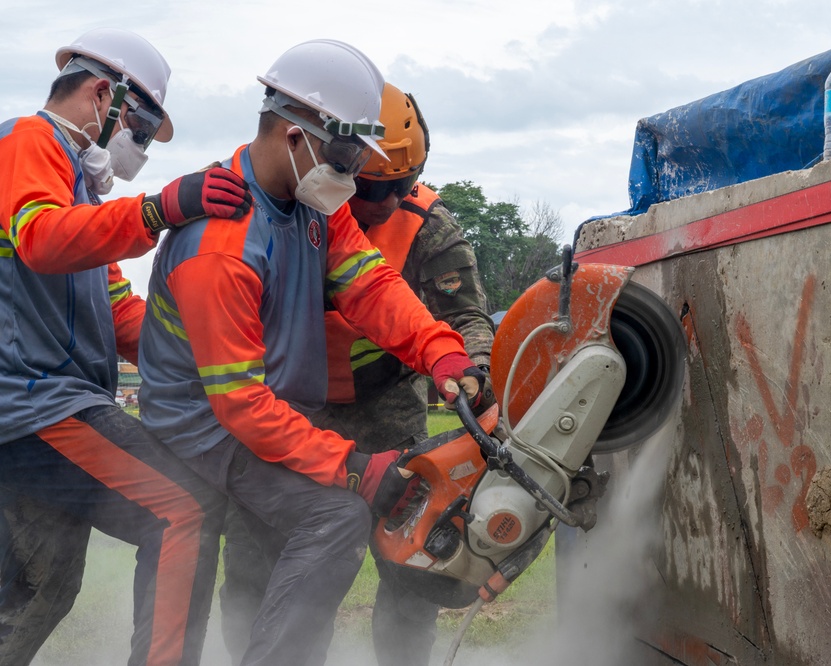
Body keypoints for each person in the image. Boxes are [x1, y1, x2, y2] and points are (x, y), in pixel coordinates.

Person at [136, 39, 485, 666]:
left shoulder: (309, 204)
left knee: (333, 521)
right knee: (330, 521)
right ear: (298, 137)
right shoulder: (225, 245)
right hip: (207, 432)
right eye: (348, 155)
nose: (353, 178)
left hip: (264, 415)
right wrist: (354, 464)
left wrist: (441, 351)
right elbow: (240, 403)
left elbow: (371, 284)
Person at [218, 82, 495, 666]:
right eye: (375, 188)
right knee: (256, 556)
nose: (390, 203)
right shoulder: (283, 205)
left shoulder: (429, 224)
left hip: (387, 407)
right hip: (285, 404)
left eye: (403, 184)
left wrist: (472, 369)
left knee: (413, 562)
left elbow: (467, 315)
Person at [0, 27, 252, 665]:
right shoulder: (27, 140)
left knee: (32, 593)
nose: (139, 147)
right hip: (34, 404)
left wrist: (213, 361)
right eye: (140, 130)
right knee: (185, 509)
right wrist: (158, 210)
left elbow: (116, 311)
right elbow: (41, 238)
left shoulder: (79, 193)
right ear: (101, 95)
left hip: (37, 410)